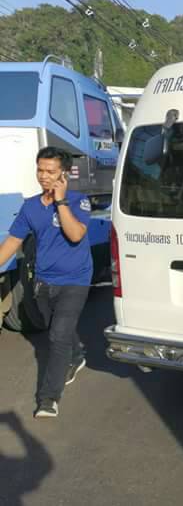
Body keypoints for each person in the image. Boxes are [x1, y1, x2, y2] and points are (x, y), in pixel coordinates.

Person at [0, 147, 93, 418]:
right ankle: (77, 356)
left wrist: (60, 202)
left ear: (64, 173)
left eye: (50, 171)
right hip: (44, 282)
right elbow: (12, 243)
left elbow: (75, 235)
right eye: (40, 170)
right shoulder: (30, 206)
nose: (44, 176)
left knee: (58, 335)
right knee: (56, 327)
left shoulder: (78, 201)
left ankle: (48, 398)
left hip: (76, 280)